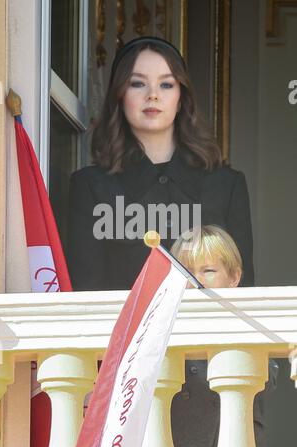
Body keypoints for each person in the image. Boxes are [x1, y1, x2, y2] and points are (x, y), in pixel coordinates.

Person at [67, 36, 254, 292]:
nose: (153, 95)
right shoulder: (89, 186)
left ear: (181, 98)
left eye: (166, 84)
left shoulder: (226, 184)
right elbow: (85, 296)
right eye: (137, 83)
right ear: (120, 96)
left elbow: (244, 291)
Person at [170, 225, 278, 447]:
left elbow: (270, 378)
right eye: (186, 272)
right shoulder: (165, 323)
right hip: (177, 441)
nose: (195, 280)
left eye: (208, 270)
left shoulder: (247, 320)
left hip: (233, 435)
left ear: (234, 277)